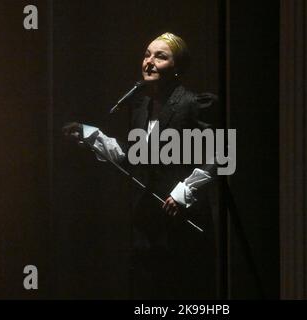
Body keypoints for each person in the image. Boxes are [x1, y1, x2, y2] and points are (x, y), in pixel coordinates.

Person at [63, 32, 218, 299]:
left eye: (160, 56)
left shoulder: (194, 104)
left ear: (178, 66)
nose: (149, 61)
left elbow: (218, 154)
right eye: (147, 54)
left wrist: (184, 192)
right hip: (147, 229)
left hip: (182, 227)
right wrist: (92, 135)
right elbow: (132, 158)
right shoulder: (141, 107)